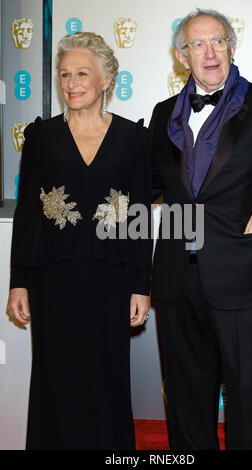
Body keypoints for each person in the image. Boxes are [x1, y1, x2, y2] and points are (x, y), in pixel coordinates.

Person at [150, 9, 252, 450]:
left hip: (244, 274)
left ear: (232, 47)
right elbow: (147, 185)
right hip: (178, 277)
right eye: (197, 44)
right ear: (182, 56)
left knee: (247, 396)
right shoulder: (162, 116)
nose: (209, 52)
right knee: (185, 398)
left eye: (217, 41)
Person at [7, 32, 152, 450]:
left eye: (82, 73)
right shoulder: (40, 137)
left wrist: (142, 284)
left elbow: (140, 215)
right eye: (65, 74)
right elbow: (28, 214)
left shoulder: (133, 139)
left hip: (111, 279)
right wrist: (19, 279)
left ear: (107, 79)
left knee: (107, 376)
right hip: (53, 279)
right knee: (56, 375)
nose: (71, 82)